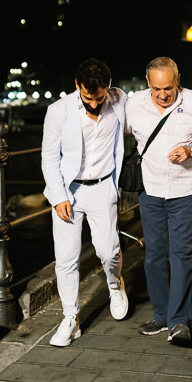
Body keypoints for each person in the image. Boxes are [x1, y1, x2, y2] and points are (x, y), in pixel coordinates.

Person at [126, 57, 192, 346]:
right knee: (155, 255)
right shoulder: (134, 104)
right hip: (151, 191)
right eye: (157, 88)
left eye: (168, 87)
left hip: (185, 190)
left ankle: (179, 321)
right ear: (148, 83)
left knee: (182, 255)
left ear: (178, 80)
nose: (163, 94)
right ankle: (161, 315)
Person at [41, 58, 129, 347]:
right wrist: (58, 197)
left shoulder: (119, 100)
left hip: (103, 187)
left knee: (108, 250)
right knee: (66, 258)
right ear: (77, 86)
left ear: (109, 86)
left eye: (100, 96)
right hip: (69, 191)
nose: (94, 102)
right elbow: (49, 158)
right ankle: (70, 318)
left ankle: (115, 286)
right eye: (88, 96)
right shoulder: (59, 111)